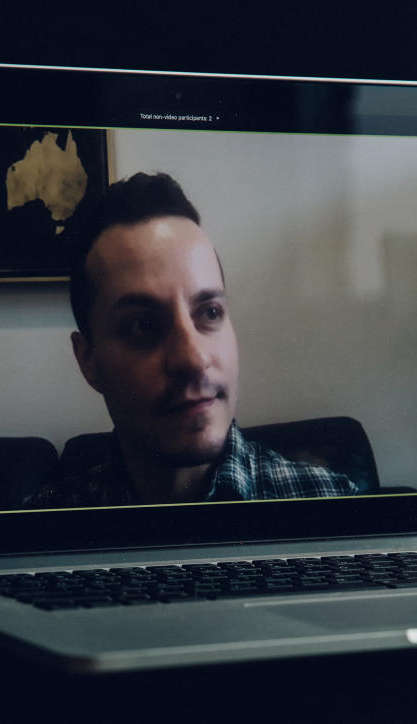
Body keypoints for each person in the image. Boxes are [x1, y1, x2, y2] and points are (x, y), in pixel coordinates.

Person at [25, 172, 357, 509]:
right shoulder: (39, 534)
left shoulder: (334, 507)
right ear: (88, 361)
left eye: (210, 312)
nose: (194, 359)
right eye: (144, 325)